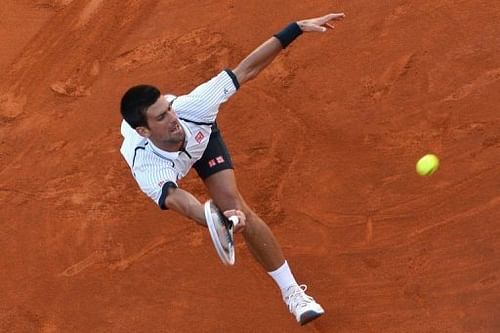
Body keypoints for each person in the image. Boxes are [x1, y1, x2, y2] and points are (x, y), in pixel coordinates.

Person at [119, 12, 345, 325]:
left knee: (237, 206)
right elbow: (177, 199)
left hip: (202, 139)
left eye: (167, 108)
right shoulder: (146, 164)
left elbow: (247, 69)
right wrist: (216, 223)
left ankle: (294, 293)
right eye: (160, 117)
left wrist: (296, 28)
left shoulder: (192, 108)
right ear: (143, 131)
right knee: (222, 213)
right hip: (169, 161)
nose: (171, 117)